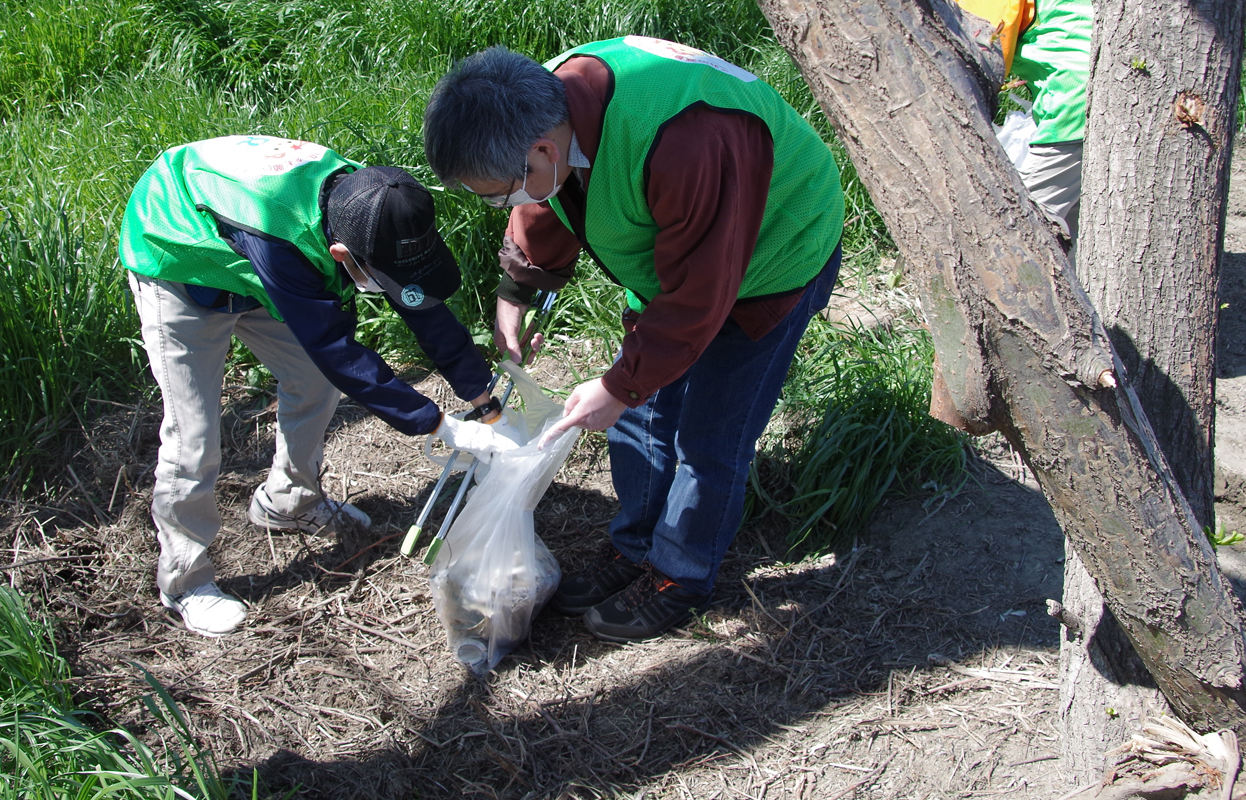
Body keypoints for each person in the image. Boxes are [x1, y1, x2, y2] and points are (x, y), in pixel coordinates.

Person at [423, 37, 845, 643]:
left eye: (495, 192)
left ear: (542, 150)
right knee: (640, 417)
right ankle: (636, 546)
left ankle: (680, 574)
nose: (498, 204)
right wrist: (516, 293)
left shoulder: (690, 136)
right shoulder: (544, 109)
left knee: (711, 437)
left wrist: (621, 383)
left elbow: (703, 292)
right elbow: (544, 204)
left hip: (770, 259)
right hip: (675, 261)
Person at [119, 135, 506, 637]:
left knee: (313, 384)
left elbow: (420, 304)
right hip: (180, 258)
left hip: (250, 254)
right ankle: (184, 580)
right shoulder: (282, 236)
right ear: (341, 252)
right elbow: (335, 349)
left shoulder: (376, 202)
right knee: (194, 436)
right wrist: (436, 424)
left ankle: (288, 502)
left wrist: (482, 399)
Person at [925, 0, 1100, 242]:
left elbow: (976, 59)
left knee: (1024, 238)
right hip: (1131, 90)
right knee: (1089, 235)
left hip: (1073, 101)